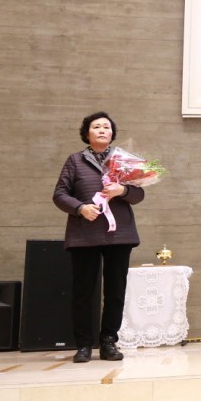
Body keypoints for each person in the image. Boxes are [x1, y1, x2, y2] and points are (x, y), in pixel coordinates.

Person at [53, 112, 145, 364]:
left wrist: (122, 190)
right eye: (96, 127)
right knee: (83, 292)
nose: (102, 130)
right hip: (85, 234)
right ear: (87, 133)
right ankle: (83, 344)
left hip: (120, 235)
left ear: (112, 133)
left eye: (106, 127)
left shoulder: (123, 161)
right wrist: (80, 208)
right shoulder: (74, 160)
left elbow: (138, 195)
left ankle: (108, 342)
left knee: (116, 291)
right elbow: (59, 194)